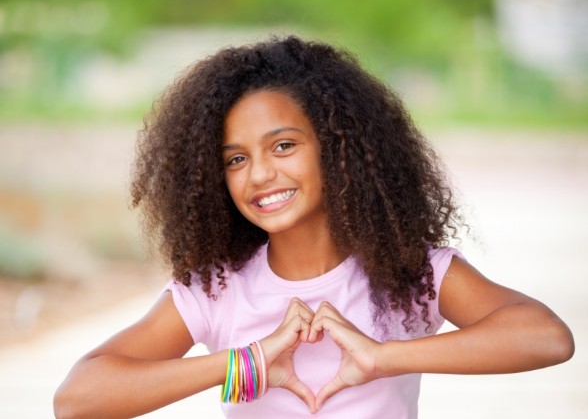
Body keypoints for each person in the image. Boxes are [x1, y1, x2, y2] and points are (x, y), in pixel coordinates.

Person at [53, 35, 574, 419]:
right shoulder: (219, 289)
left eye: (283, 146)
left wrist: (382, 356)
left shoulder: (409, 273)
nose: (259, 174)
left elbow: (547, 338)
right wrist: (246, 365)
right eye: (234, 159)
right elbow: (78, 398)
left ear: (338, 148)